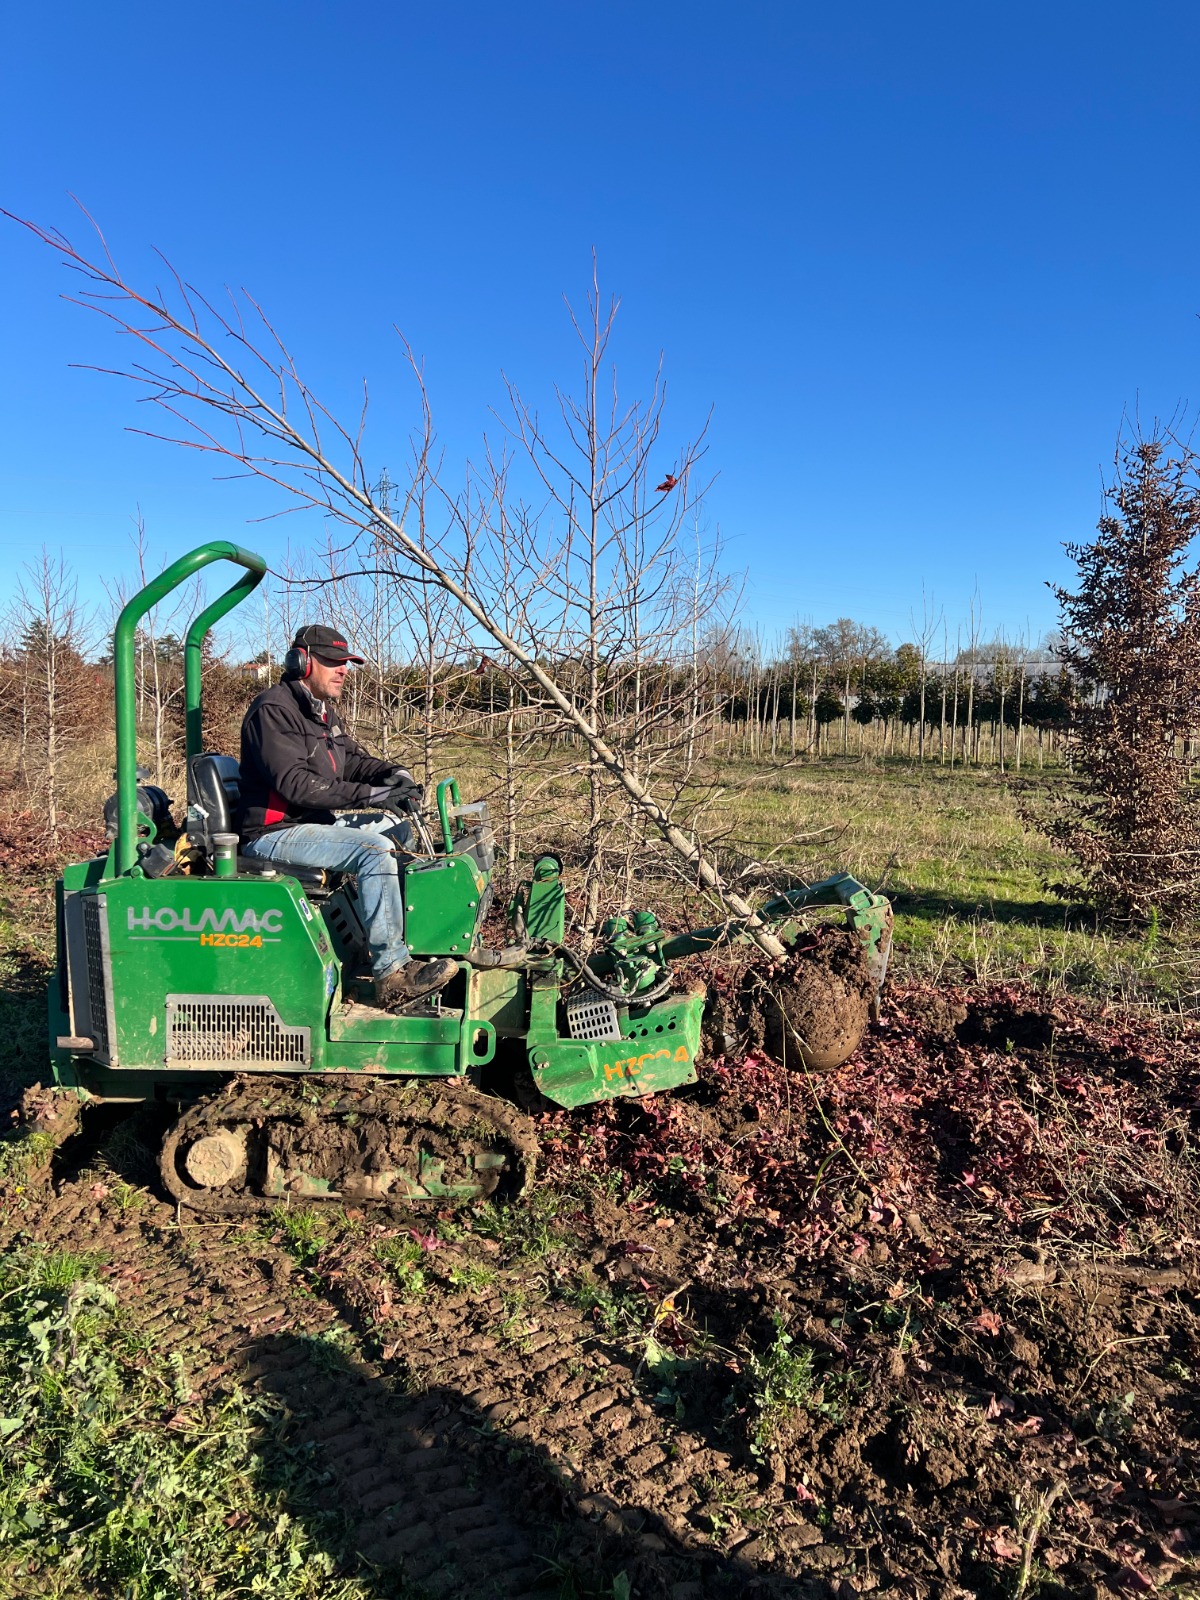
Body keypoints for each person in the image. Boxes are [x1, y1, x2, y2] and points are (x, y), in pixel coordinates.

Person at [237, 624, 457, 1006]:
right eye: (334, 662)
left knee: (397, 831)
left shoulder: (320, 712)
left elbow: (352, 760)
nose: (343, 670)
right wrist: (373, 795)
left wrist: (394, 774)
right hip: (272, 833)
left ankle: (380, 937)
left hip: (310, 825)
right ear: (302, 662)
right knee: (375, 851)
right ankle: (392, 973)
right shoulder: (273, 711)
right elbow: (297, 785)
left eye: (346, 663)